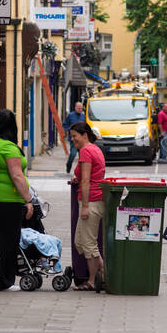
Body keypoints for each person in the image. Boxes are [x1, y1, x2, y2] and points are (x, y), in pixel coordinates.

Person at [0, 109, 34, 292]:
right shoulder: (8, 147)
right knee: (8, 241)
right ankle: (4, 281)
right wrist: (28, 200)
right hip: (7, 199)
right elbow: (17, 175)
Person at [70, 122, 105, 291]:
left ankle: (93, 280)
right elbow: (90, 175)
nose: (73, 139)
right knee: (80, 242)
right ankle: (104, 272)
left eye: (75, 135)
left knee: (89, 243)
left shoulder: (85, 151)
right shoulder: (95, 149)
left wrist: (84, 206)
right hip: (96, 199)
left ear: (85, 135)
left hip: (90, 201)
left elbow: (86, 180)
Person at [64, 100, 85, 174]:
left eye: (81, 108)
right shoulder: (70, 115)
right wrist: (69, 130)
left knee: (82, 156)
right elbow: (65, 124)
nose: (80, 110)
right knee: (73, 154)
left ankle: (81, 171)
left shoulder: (83, 116)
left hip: (82, 140)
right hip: (73, 140)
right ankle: (68, 165)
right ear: (75, 108)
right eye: (79, 108)